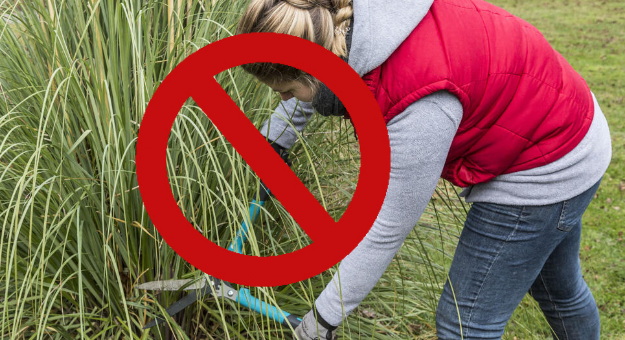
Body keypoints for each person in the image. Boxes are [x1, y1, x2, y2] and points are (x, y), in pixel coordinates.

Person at [235, 0, 612, 339]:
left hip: (545, 163)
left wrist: (323, 320)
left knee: (464, 325)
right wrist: (275, 142)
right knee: (557, 288)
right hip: (566, 116)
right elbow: (316, 71)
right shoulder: (348, 22)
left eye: (286, 90)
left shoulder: (420, 104)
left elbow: (387, 227)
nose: (282, 99)